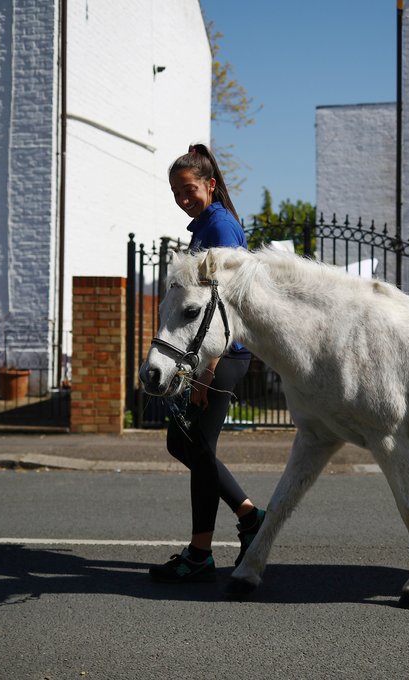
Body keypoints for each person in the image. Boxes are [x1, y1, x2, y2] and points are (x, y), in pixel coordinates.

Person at [150, 143, 265, 583]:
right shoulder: (205, 226)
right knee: (187, 445)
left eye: (189, 188)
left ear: (210, 185)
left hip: (223, 357)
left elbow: (224, 305)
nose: (182, 197)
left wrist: (207, 371)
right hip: (210, 358)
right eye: (176, 191)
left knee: (196, 447)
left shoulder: (220, 227)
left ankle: (202, 552)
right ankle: (250, 517)